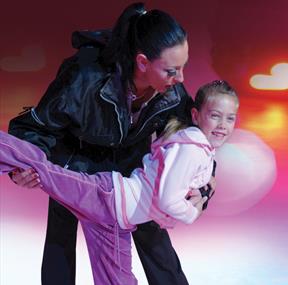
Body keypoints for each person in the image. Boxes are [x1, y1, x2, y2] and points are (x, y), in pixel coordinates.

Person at [7, 3, 200, 285]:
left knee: (152, 233)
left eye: (183, 67)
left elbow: (191, 135)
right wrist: (19, 169)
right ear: (143, 62)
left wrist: (205, 182)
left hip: (131, 164)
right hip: (76, 160)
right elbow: (35, 126)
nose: (181, 78)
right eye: (172, 70)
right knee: (61, 236)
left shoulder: (172, 90)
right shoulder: (84, 76)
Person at [1, 80, 239, 285]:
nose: (223, 124)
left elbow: (195, 154)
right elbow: (170, 196)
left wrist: (206, 186)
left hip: (118, 215)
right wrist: (190, 212)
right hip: (106, 193)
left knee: (119, 277)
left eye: (230, 118)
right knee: (46, 173)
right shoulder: (88, 71)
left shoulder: (177, 100)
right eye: (216, 116)